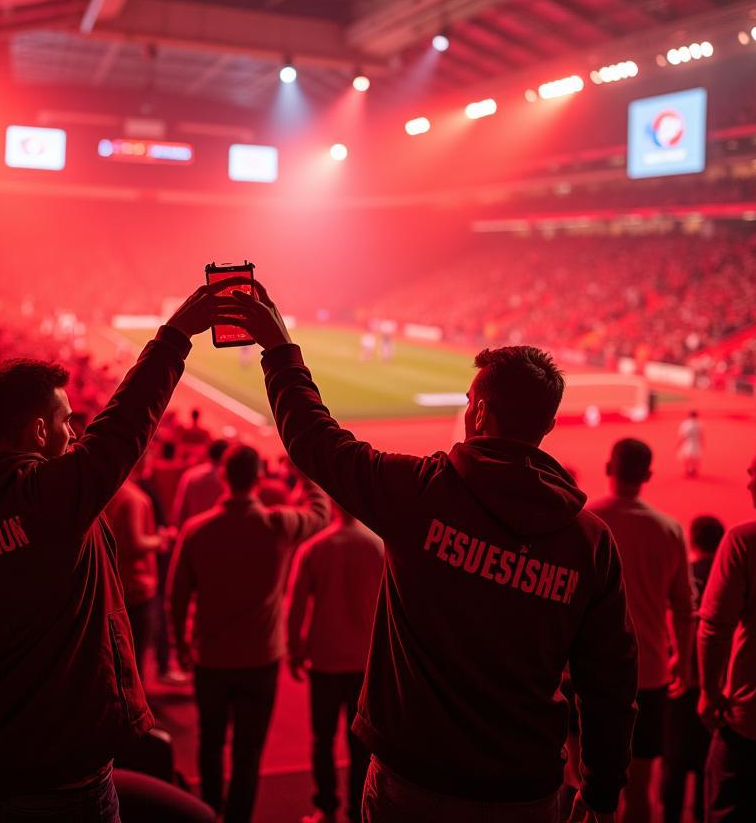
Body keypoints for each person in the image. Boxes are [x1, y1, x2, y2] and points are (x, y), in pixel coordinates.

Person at [225, 284, 638, 823]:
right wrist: (602, 794)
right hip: (527, 790)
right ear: (548, 426)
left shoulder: (420, 493)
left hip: (412, 783)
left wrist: (278, 346)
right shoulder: (590, 542)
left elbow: (313, 440)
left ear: (479, 411)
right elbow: (610, 683)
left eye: (470, 401)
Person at [0, 284, 230, 823]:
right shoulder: (51, 497)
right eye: (67, 420)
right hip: (64, 779)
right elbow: (127, 422)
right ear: (38, 430)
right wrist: (176, 334)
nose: (75, 430)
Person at [168, 443, 329, 823]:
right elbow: (321, 513)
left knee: (211, 743)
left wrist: (181, 644)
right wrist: (306, 473)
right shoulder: (277, 524)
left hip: (211, 658)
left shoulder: (197, 530)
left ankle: (208, 812)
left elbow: (176, 597)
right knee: (248, 752)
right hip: (260, 659)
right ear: (259, 479)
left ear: (223, 477)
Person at [588, 439, 695, 823]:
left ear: (607, 468)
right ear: (648, 475)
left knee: (580, 785)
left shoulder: (586, 521)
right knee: (640, 786)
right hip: (648, 674)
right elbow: (685, 607)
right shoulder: (669, 530)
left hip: (587, 673)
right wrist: (683, 659)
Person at [699, 441, 756, 822]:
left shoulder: (745, 539)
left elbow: (714, 628)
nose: (748, 484)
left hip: (752, 723)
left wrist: (708, 692)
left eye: (751, 475)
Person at [288, 505, 384, 823]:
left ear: (331, 505)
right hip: (364, 660)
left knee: (323, 739)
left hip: (326, 659)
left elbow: (297, 604)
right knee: (361, 745)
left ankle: (325, 808)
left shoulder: (315, 547)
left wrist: (295, 649)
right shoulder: (379, 545)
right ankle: (357, 812)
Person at [659, 515, 724, 823]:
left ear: (693, 541)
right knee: (706, 764)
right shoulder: (726, 574)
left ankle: (670, 815)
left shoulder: (683, 573)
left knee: (673, 760)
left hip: (677, 680)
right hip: (715, 684)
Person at [104, 471, 173, 681]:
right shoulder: (133, 497)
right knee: (135, 659)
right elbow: (134, 542)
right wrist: (159, 540)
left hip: (112, 583)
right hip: (136, 585)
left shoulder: (104, 492)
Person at [171, 438, 228, 527]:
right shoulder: (226, 482)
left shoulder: (190, 475)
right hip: (218, 531)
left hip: (193, 530)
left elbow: (179, 512)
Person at [676, 411, 704, 478]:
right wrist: (702, 443)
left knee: (686, 457)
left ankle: (687, 470)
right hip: (696, 443)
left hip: (687, 443)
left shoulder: (685, 424)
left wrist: (679, 443)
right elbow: (701, 435)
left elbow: (682, 435)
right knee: (696, 457)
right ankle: (694, 469)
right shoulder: (699, 424)